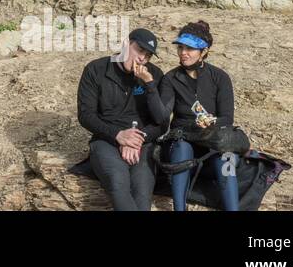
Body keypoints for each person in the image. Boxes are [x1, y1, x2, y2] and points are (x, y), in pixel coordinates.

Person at [76, 28, 168, 211]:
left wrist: (149, 85)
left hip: (142, 143)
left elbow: (162, 122)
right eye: (140, 50)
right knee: (118, 182)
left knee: (142, 191)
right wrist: (118, 135)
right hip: (106, 140)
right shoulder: (96, 69)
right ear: (126, 43)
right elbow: (86, 115)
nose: (142, 58)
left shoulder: (154, 75)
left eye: (148, 55)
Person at [160, 20, 240, 212]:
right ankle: (179, 209)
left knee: (227, 157)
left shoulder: (220, 77)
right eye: (180, 47)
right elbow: (163, 115)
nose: (183, 53)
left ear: (203, 51)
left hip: (213, 140)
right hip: (184, 140)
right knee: (181, 147)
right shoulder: (170, 79)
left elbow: (227, 118)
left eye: (190, 49)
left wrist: (211, 121)